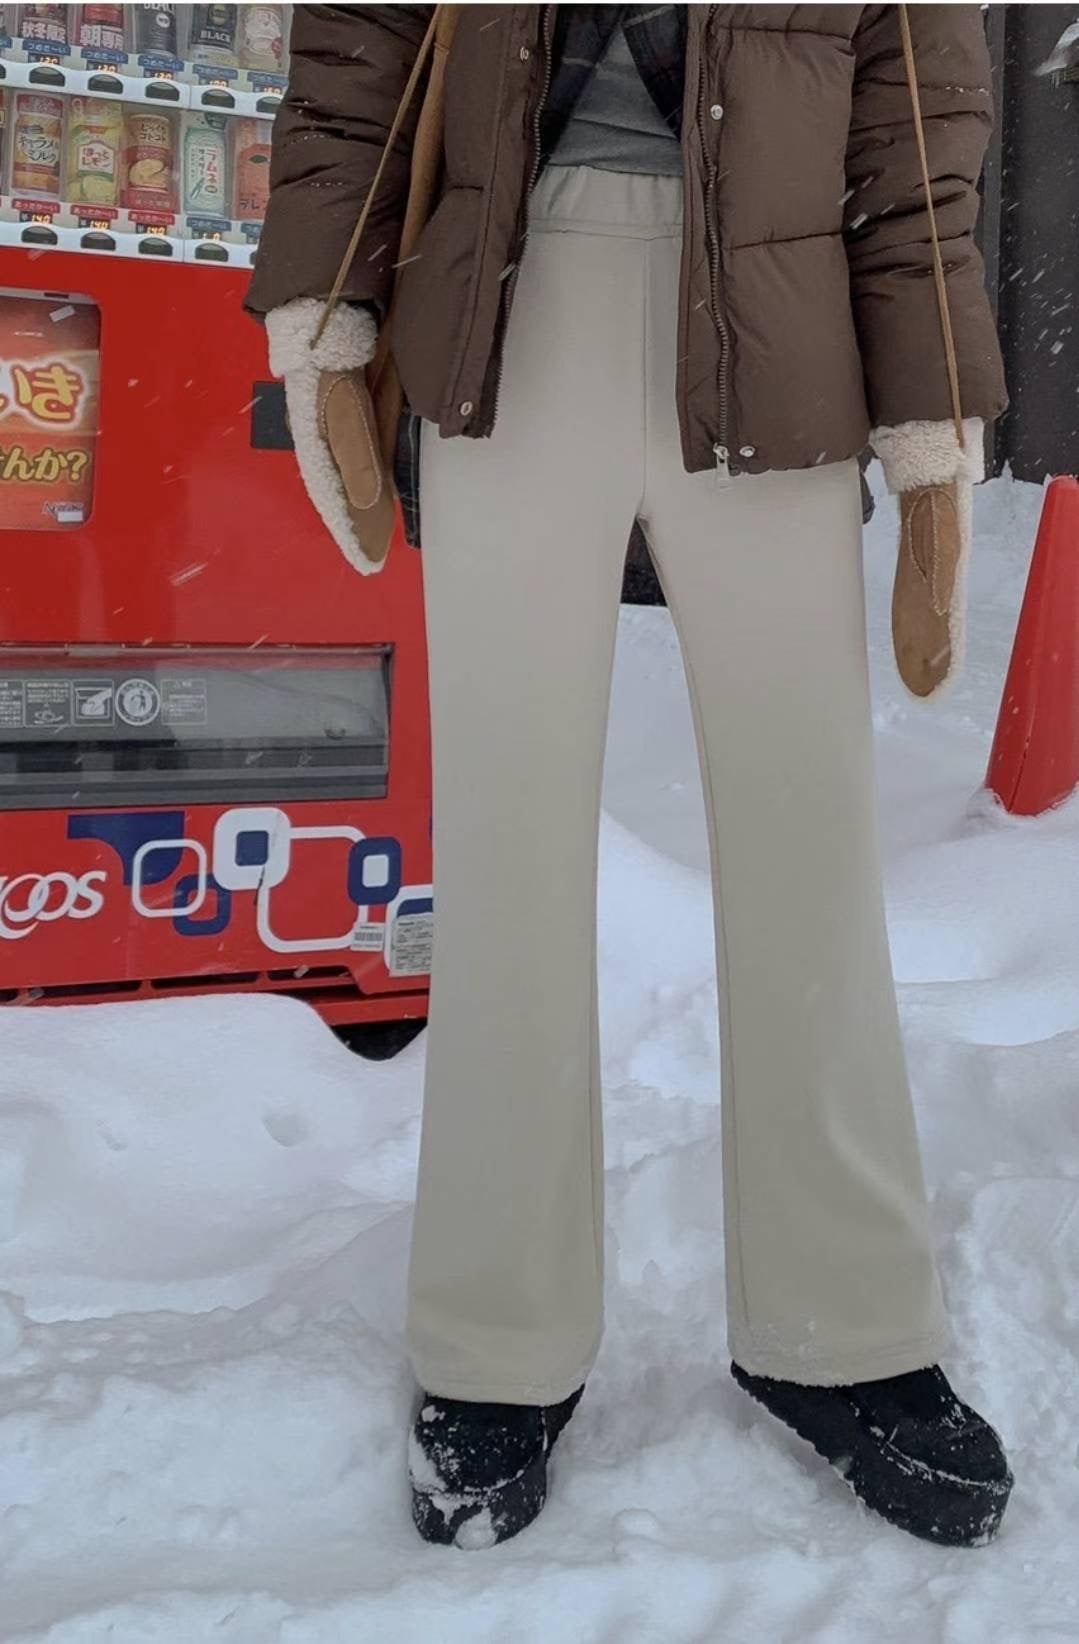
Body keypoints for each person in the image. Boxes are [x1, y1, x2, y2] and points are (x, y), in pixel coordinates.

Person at [247, 3, 1014, 1551]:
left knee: (809, 842)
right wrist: (326, 305)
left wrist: (933, 407)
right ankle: (495, 1339)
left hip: (787, 316)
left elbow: (914, 110)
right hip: (508, 291)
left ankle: (848, 1327)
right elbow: (363, 33)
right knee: (510, 847)